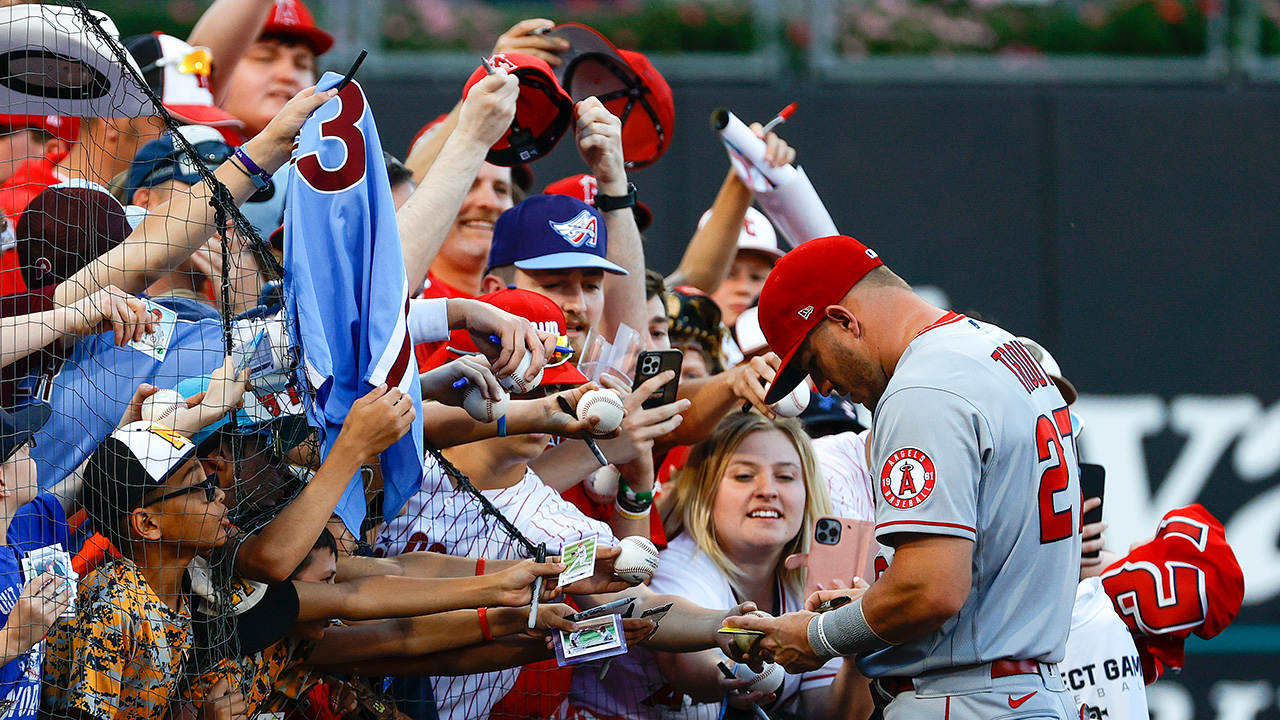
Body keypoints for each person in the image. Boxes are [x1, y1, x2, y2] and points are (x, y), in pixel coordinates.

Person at [727, 235, 1082, 719]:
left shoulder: (922, 385)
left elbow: (930, 589)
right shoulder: (1000, 349)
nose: (826, 387)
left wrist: (819, 637)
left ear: (842, 321)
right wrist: (872, 603)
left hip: (966, 697)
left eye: (814, 362)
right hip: (1023, 688)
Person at [573, 412, 872, 719]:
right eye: (744, 476)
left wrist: (858, 649)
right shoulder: (681, 563)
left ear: (808, 493)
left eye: (785, 477)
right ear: (706, 490)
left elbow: (828, 713)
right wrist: (725, 675)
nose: (767, 490)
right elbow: (684, 664)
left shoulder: (808, 580)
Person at [41, 420, 235, 719]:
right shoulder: (114, 606)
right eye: (203, 488)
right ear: (148, 524)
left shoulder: (174, 590)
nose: (219, 495)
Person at [0, 403, 75, 720]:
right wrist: (12, 638)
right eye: (24, 448)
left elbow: (84, 483)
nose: (33, 454)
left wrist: (133, 423)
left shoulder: (20, 527)